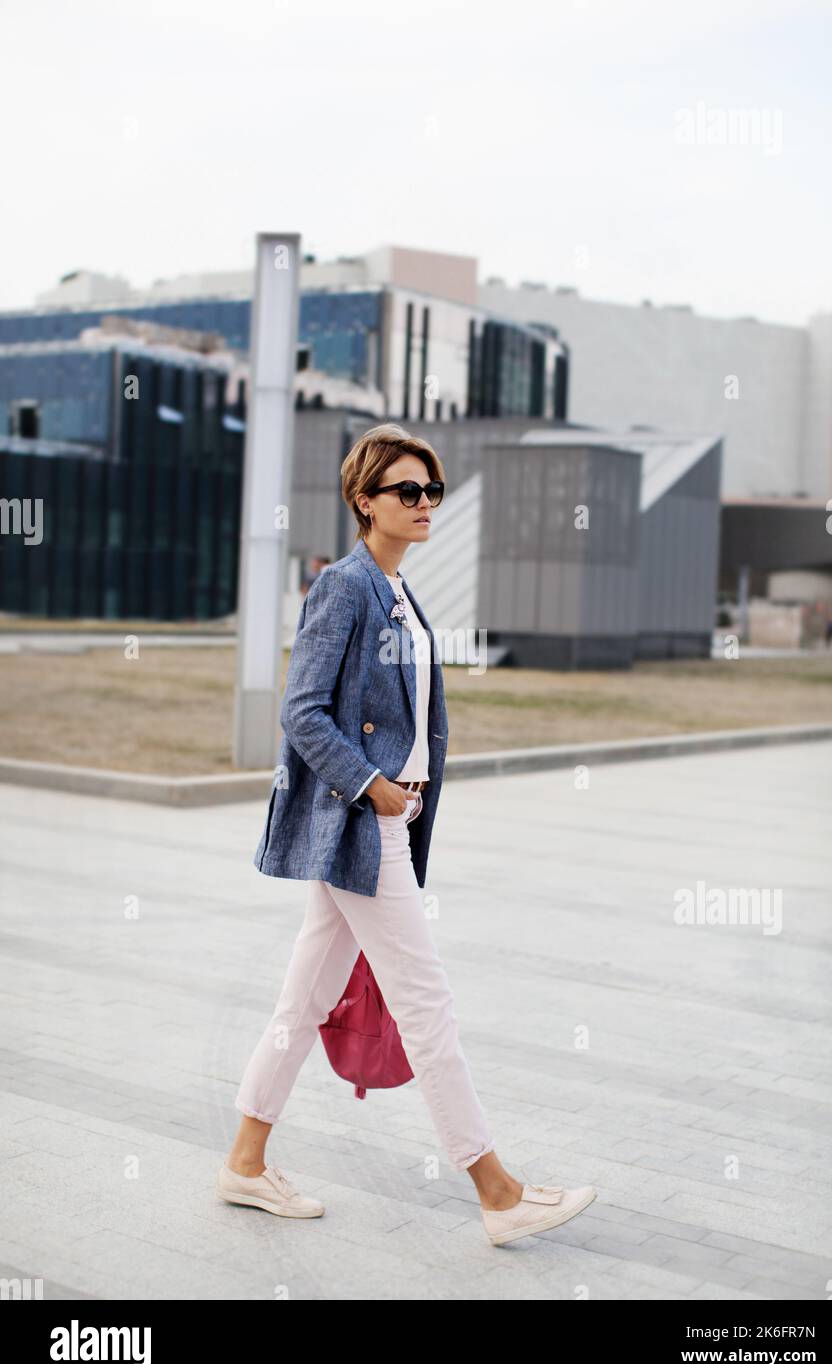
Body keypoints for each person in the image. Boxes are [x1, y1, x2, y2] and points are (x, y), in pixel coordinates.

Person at [217, 421, 596, 1246]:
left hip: (387, 820)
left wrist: (402, 790)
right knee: (427, 1006)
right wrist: (374, 787)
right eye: (407, 491)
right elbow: (301, 711)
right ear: (365, 501)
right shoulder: (346, 586)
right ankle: (497, 1193)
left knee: (304, 1000)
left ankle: (245, 1163)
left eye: (431, 491)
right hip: (363, 825)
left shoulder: (399, 589)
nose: (425, 503)